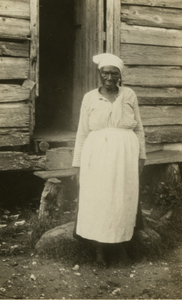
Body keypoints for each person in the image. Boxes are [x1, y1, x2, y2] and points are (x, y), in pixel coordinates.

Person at [72, 53, 146, 267]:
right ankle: (99, 250)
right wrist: (77, 164)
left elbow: (139, 127)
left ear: (120, 75)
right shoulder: (90, 98)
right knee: (99, 199)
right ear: (99, 74)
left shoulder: (129, 95)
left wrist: (142, 156)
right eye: (106, 73)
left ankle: (120, 245)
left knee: (123, 199)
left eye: (114, 73)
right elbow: (82, 131)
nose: (110, 77)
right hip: (97, 155)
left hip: (125, 155)